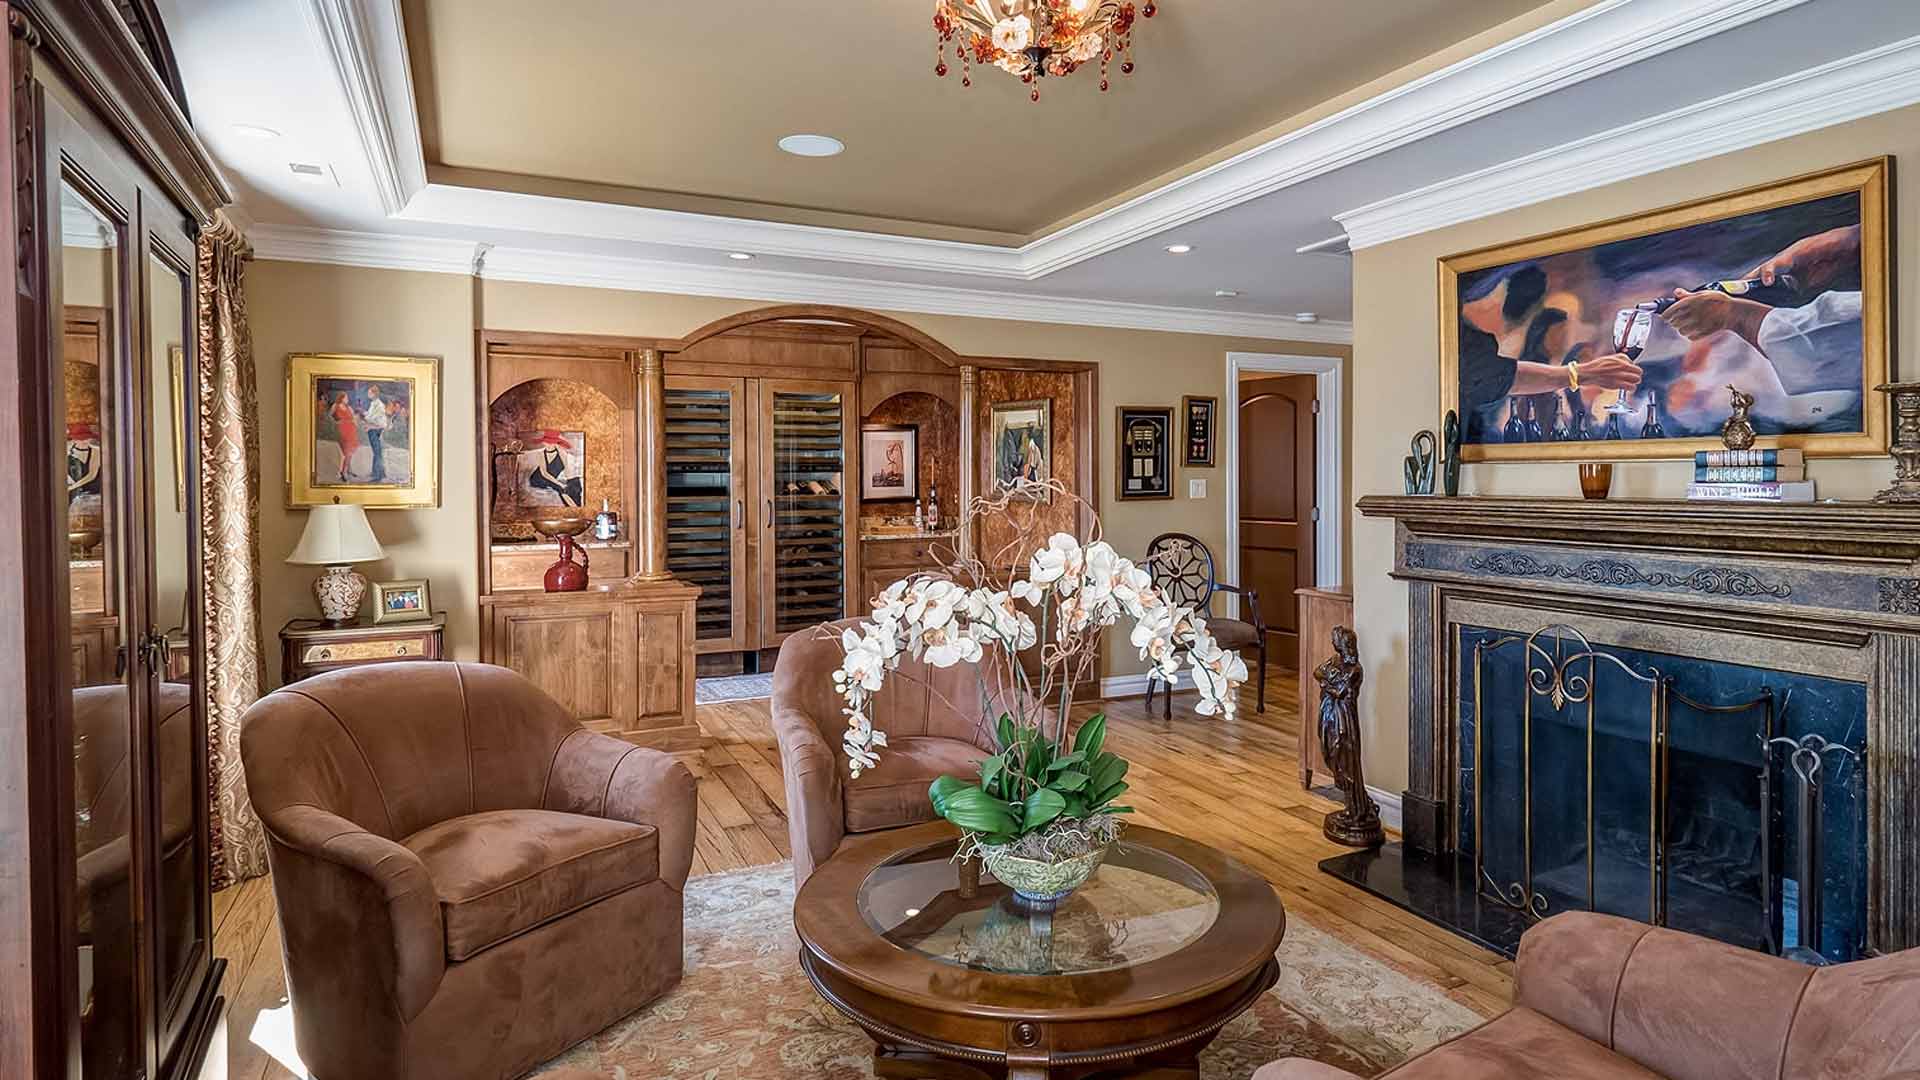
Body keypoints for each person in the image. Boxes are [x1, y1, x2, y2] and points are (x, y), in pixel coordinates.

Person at [327, 391, 359, 481]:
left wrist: (355, 422)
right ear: (341, 398)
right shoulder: (335, 406)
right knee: (346, 452)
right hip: (342, 430)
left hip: (351, 430)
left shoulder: (349, 407)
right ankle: (342, 472)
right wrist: (336, 422)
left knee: (350, 451)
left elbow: (354, 418)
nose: (347, 399)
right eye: (346, 398)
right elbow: (330, 416)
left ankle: (348, 470)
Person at [362, 384, 389, 484]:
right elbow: (370, 415)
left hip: (375, 430)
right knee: (377, 452)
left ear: (374, 393)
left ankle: (378, 475)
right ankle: (378, 473)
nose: (368, 394)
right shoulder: (374, 403)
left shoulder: (379, 405)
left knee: (377, 452)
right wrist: (365, 414)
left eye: (369, 392)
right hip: (372, 429)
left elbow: (380, 421)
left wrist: (368, 423)